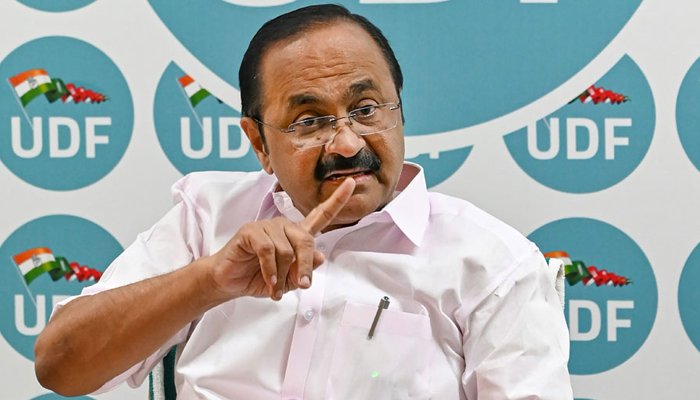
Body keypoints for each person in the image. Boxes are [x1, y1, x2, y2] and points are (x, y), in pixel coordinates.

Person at [35, 4, 573, 399]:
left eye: (366, 109)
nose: (347, 143)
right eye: (310, 121)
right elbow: (61, 366)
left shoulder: (492, 262)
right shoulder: (206, 219)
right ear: (258, 143)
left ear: (400, 111)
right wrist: (209, 280)